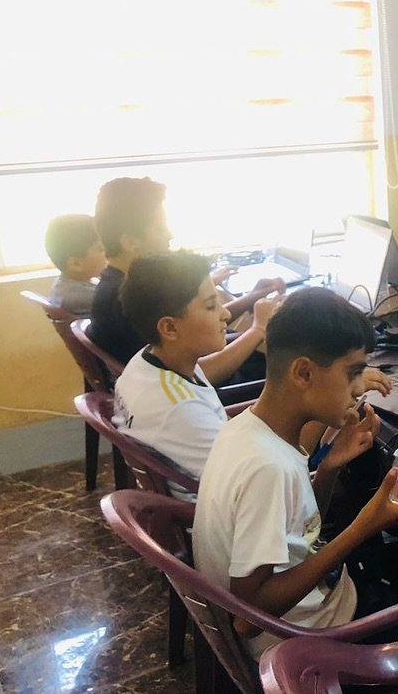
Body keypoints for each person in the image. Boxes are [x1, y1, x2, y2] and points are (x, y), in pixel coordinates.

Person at [193, 287, 398, 657]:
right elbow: (249, 619)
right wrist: (364, 525)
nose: (358, 388)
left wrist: (329, 468)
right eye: (352, 373)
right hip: (316, 643)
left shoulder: (246, 430)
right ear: (304, 372)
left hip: (324, 599)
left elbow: (298, 532)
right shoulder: (269, 468)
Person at [113, 250, 281, 499]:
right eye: (211, 305)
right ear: (169, 327)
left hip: (218, 480)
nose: (225, 314)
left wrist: (258, 329)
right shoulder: (180, 411)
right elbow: (256, 486)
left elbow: (204, 372)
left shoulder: (147, 362)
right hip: (220, 517)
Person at [89, 176, 281, 381]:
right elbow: (191, 376)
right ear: (130, 242)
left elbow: (194, 323)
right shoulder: (125, 304)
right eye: (161, 229)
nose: (170, 235)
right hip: (210, 394)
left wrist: (250, 298)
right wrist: (258, 329)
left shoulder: (127, 286)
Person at [44, 213, 107, 317]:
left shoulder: (65, 284)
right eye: (101, 249)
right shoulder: (79, 296)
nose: (108, 252)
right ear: (76, 264)